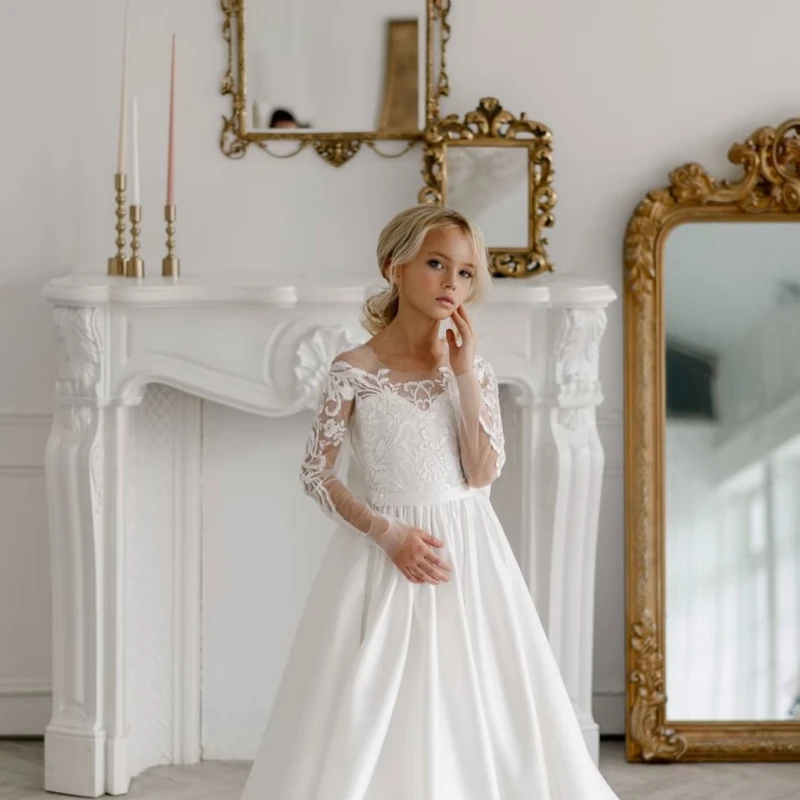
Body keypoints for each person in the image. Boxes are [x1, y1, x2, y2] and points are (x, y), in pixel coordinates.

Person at [239, 205, 620, 799]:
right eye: (437, 264)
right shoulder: (354, 370)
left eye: (466, 273)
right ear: (395, 267)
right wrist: (389, 535)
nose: (452, 283)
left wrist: (464, 374)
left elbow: (482, 471)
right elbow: (317, 473)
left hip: (468, 553)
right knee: (378, 701)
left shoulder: (474, 370)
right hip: (384, 556)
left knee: (477, 701)